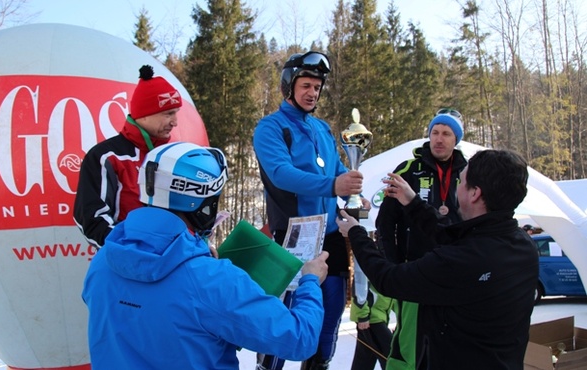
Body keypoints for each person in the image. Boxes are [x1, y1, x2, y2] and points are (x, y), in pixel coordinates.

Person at [82, 142, 330, 369]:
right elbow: (299, 339)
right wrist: (310, 282)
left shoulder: (104, 260)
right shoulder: (213, 280)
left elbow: (142, 314)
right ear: (203, 204)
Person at [337, 149, 539, 370]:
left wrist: (356, 234)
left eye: (460, 182)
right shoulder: (523, 245)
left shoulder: (461, 261)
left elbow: (388, 279)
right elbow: (451, 234)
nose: (456, 188)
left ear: (475, 194)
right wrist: (413, 202)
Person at [252, 50, 370, 370]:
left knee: (329, 316)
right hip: (291, 236)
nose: (312, 93)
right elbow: (281, 173)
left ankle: (319, 365)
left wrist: (353, 196)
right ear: (289, 86)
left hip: (329, 236)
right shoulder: (270, 128)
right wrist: (334, 186)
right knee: (283, 320)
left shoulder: (322, 129)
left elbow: (336, 170)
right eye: (306, 85)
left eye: (317, 87)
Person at [374, 108, 468, 370]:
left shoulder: (469, 172)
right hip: (415, 270)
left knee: (451, 340)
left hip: (456, 271)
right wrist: (392, 263)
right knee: (409, 342)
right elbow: (385, 222)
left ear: (456, 139)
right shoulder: (407, 170)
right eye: (434, 132)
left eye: (446, 133)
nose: (439, 138)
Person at [74, 65, 182, 248]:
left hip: (171, 265)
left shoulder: (173, 157)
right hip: (127, 267)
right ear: (145, 115)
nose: (175, 122)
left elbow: (184, 216)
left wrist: (197, 245)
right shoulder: (105, 157)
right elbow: (92, 220)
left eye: (176, 113)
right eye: (168, 114)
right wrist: (137, 251)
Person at [350, 284, 394, 370]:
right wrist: (362, 314)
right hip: (371, 317)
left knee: (364, 360)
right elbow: (359, 283)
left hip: (378, 315)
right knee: (392, 357)